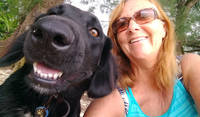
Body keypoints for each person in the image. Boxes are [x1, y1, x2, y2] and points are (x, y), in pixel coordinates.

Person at [84, 0, 200, 117]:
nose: (132, 27)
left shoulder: (189, 67)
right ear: (117, 42)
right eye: (121, 24)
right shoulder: (113, 101)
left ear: (164, 28)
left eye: (144, 15)